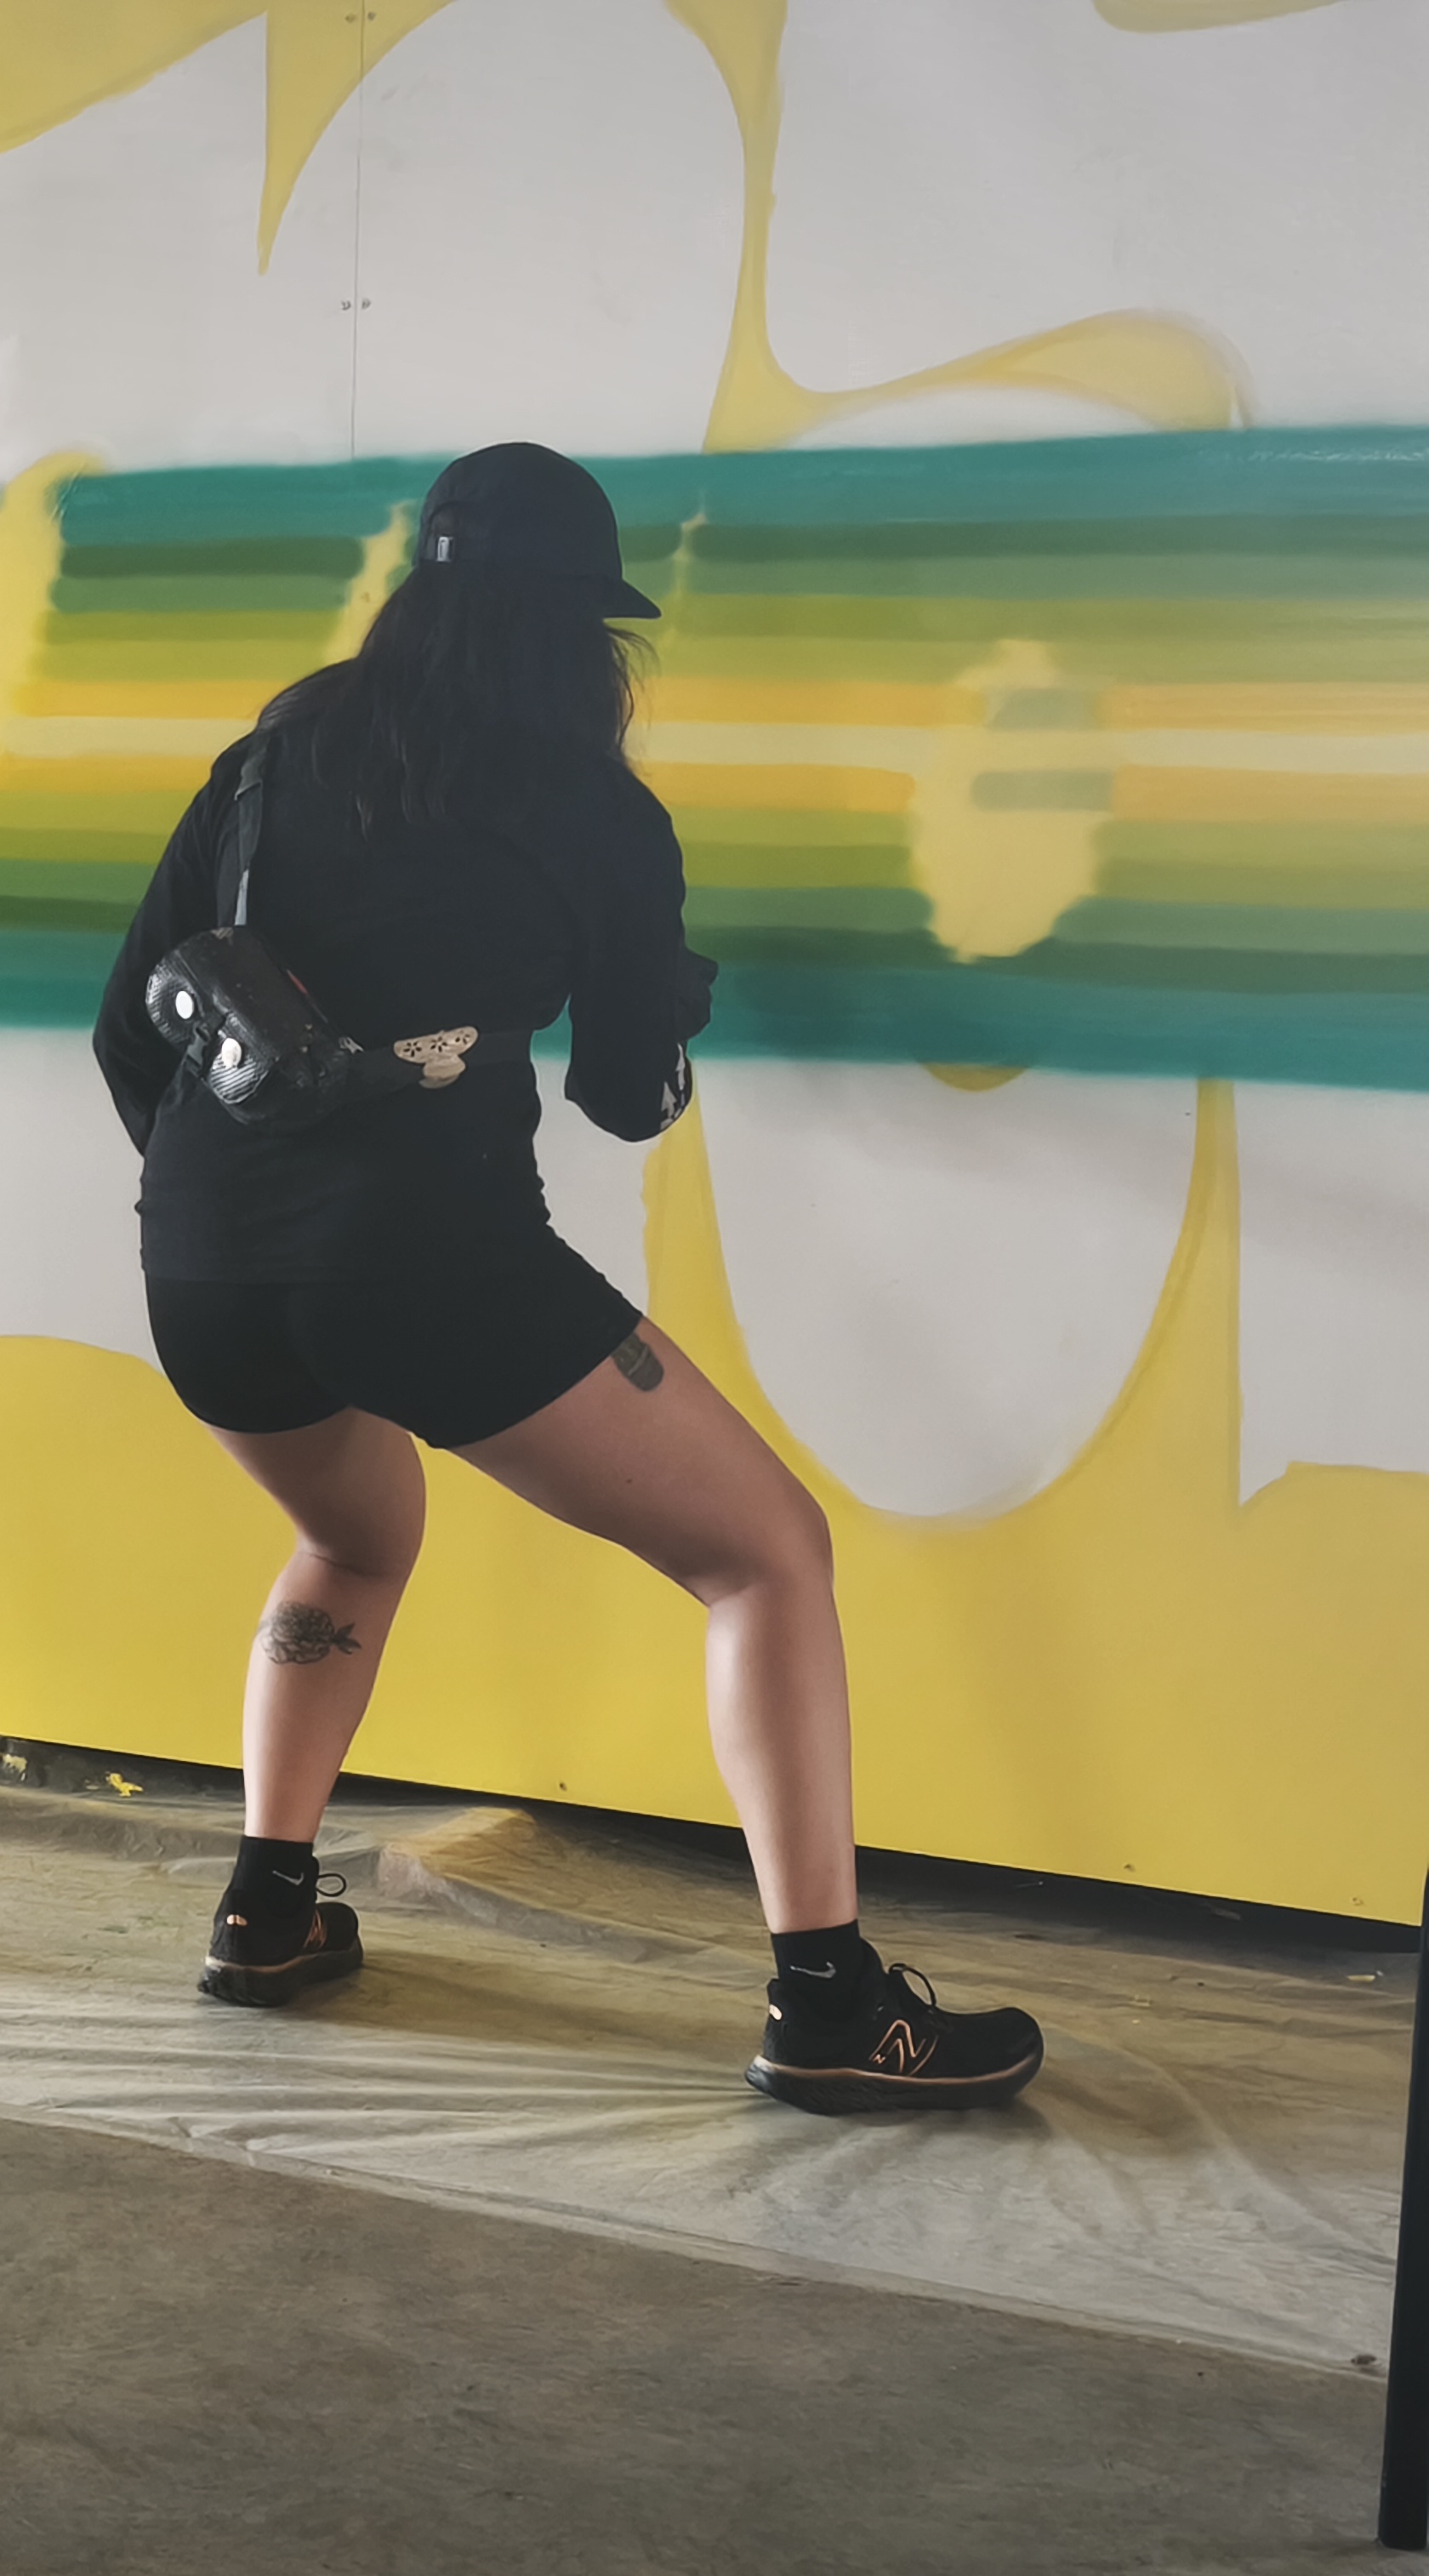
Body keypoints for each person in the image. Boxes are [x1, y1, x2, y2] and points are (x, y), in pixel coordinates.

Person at [92, 442, 1042, 2117]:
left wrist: (245, 1220)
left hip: (202, 1262)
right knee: (766, 1556)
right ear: (583, 637)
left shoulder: (267, 764)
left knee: (352, 1534)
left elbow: (128, 1029)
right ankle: (829, 2003)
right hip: (430, 1261)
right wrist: (663, 999)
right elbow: (621, 1095)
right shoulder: (596, 816)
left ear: (416, 600)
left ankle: (266, 1908)